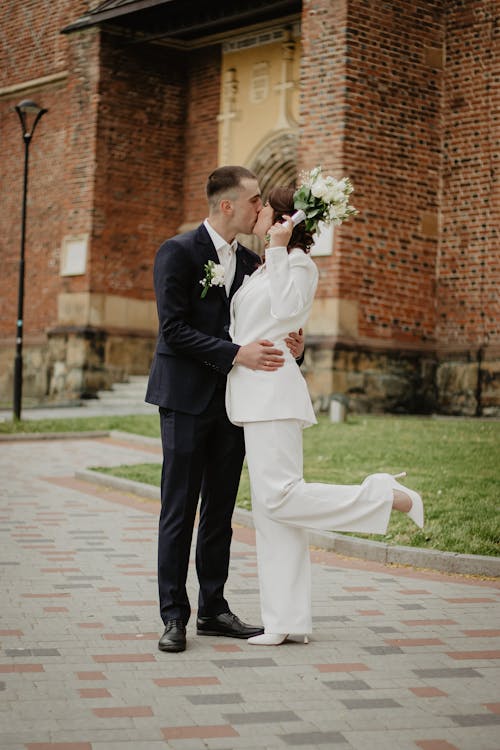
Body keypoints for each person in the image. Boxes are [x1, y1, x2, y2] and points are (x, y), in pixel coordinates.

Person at [226, 186, 424, 646]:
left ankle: (383, 494)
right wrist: (293, 345)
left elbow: (288, 309)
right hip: (254, 394)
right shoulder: (262, 267)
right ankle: (286, 621)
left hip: (272, 395)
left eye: (265, 209)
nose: (258, 214)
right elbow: (270, 328)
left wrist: (278, 250)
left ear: (286, 219)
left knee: (280, 498)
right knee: (275, 516)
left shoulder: (297, 263)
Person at [145, 166, 304, 653]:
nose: (262, 208)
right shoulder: (176, 252)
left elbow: (268, 322)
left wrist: (295, 348)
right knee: (179, 509)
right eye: (255, 200)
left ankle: (213, 608)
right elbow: (173, 330)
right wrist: (236, 354)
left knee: (220, 512)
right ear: (228, 206)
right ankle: (174, 616)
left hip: (236, 404)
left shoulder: (256, 262)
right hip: (186, 400)